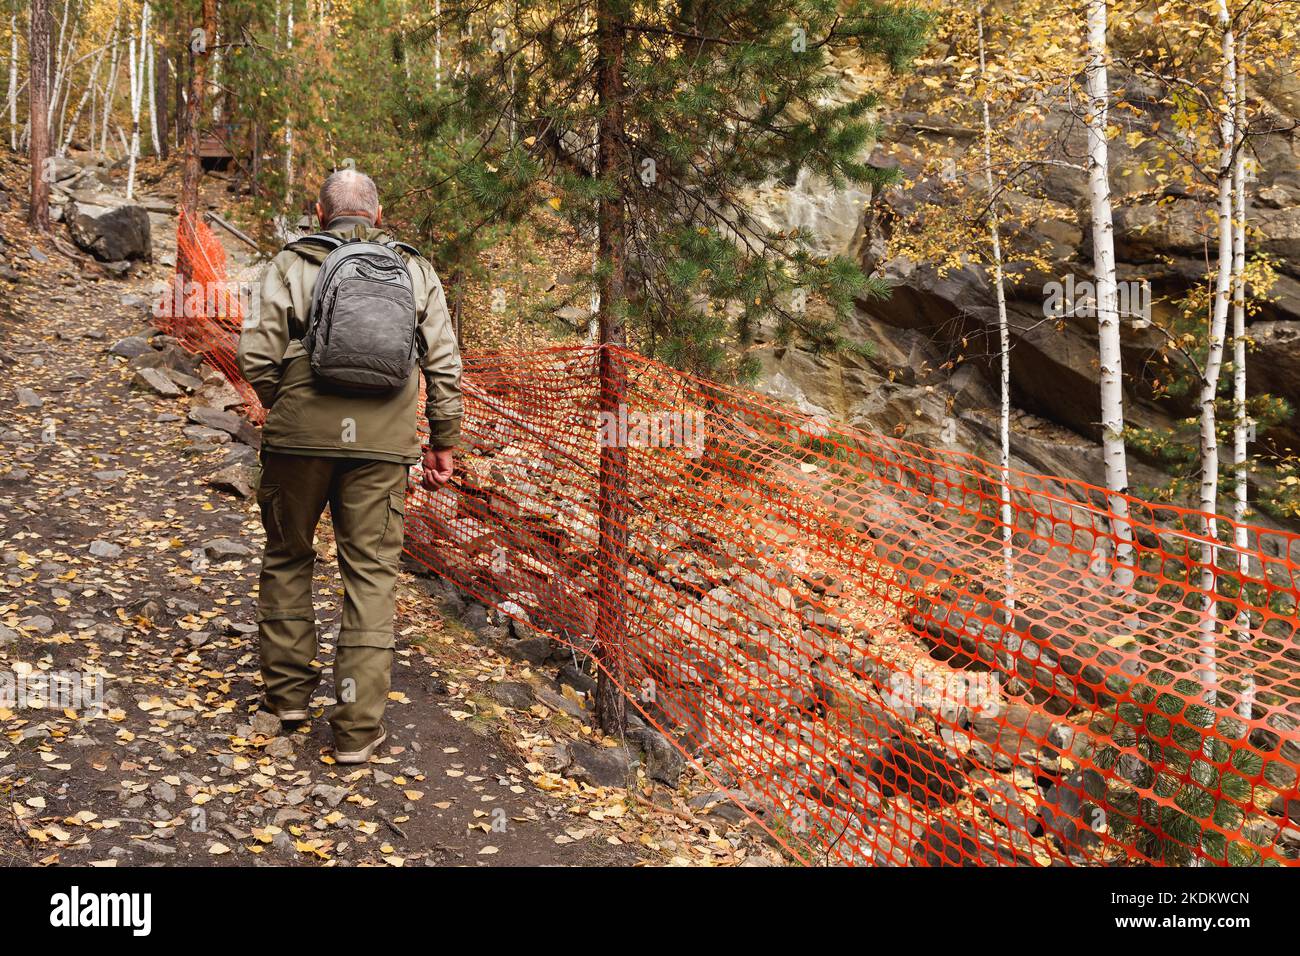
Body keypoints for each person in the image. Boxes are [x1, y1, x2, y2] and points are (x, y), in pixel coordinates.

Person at [237, 168, 462, 763]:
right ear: (379, 217)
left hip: (299, 438)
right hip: (384, 443)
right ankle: (356, 731)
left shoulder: (290, 263)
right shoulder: (414, 269)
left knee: (288, 555)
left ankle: (286, 702)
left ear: (320, 214)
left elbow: (256, 354)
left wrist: (286, 405)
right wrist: (443, 437)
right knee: (371, 576)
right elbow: (442, 361)